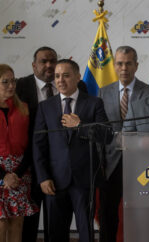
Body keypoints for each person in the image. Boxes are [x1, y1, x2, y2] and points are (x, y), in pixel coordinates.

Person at [16, 46, 87, 242]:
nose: (49, 65)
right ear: (33, 65)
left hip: (64, 170)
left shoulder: (79, 88)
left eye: (52, 61)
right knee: (30, 224)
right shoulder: (20, 86)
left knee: (56, 225)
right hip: (28, 166)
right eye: (43, 61)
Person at [32, 59, 108, 242]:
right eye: (57, 76)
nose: (60, 80)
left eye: (66, 75)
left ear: (78, 77)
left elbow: (106, 136)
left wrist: (80, 125)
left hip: (84, 181)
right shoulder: (45, 107)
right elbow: (38, 145)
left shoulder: (94, 103)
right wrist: (43, 177)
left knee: (86, 233)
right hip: (55, 181)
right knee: (55, 233)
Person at [98, 46, 149, 242]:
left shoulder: (148, 92)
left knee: (140, 213)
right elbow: (100, 130)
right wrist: (100, 163)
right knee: (107, 214)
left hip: (140, 162)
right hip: (110, 164)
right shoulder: (103, 92)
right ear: (114, 65)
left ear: (136, 65)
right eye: (120, 63)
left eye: (128, 63)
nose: (124, 68)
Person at [0, 64, 38, 242]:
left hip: (21, 173)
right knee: (1, 225)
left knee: (17, 224)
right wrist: (4, 176)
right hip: (0, 173)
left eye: (13, 81)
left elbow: (32, 145)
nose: (11, 86)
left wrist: (17, 173)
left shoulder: (24, 108)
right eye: (5, 82)